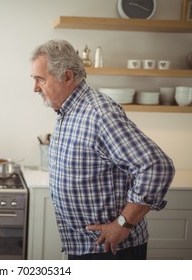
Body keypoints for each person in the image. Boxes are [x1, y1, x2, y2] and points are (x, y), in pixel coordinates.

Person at [30, 39, 175, 260]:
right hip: (85, 246)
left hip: (110, 249)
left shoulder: (98, 114)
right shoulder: (67, 110)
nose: (35, 88)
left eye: (40, 79)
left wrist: (123, 223)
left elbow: (157, 166)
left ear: (67, 77)